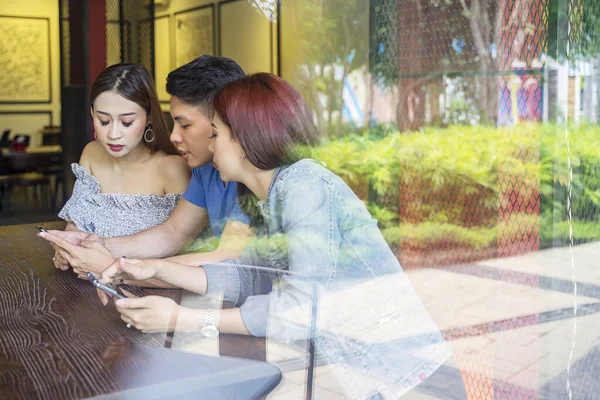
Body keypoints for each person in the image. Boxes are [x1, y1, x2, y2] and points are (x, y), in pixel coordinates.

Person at [96, 73, 452, 398]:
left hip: (409, 382)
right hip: (363, 379)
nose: (212, 145)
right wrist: (151, 269)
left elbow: (300, 309)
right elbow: (251, 276)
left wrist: (181, 319)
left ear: (245, 141)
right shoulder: (272, 195)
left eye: (217, 134)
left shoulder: (305, 187)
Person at [42, 56, 253, 279]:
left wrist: (118, 269)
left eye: (185, 125)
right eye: (104, 121)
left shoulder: (253, 172)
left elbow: (227, 262)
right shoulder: (204, 168)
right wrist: (96, 245)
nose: (174, 136)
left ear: (224, 120)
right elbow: (174, 232)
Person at [51, 63, 191, 278]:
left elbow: (184, 243)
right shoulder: (91, 153)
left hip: (151, 288)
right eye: (104, 121)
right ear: (92, 114)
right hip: (88, 282)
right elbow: (78, 220)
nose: (113, 134)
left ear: (149, 117)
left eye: (126, 122)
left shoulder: (172, 168)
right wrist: (69, 247)